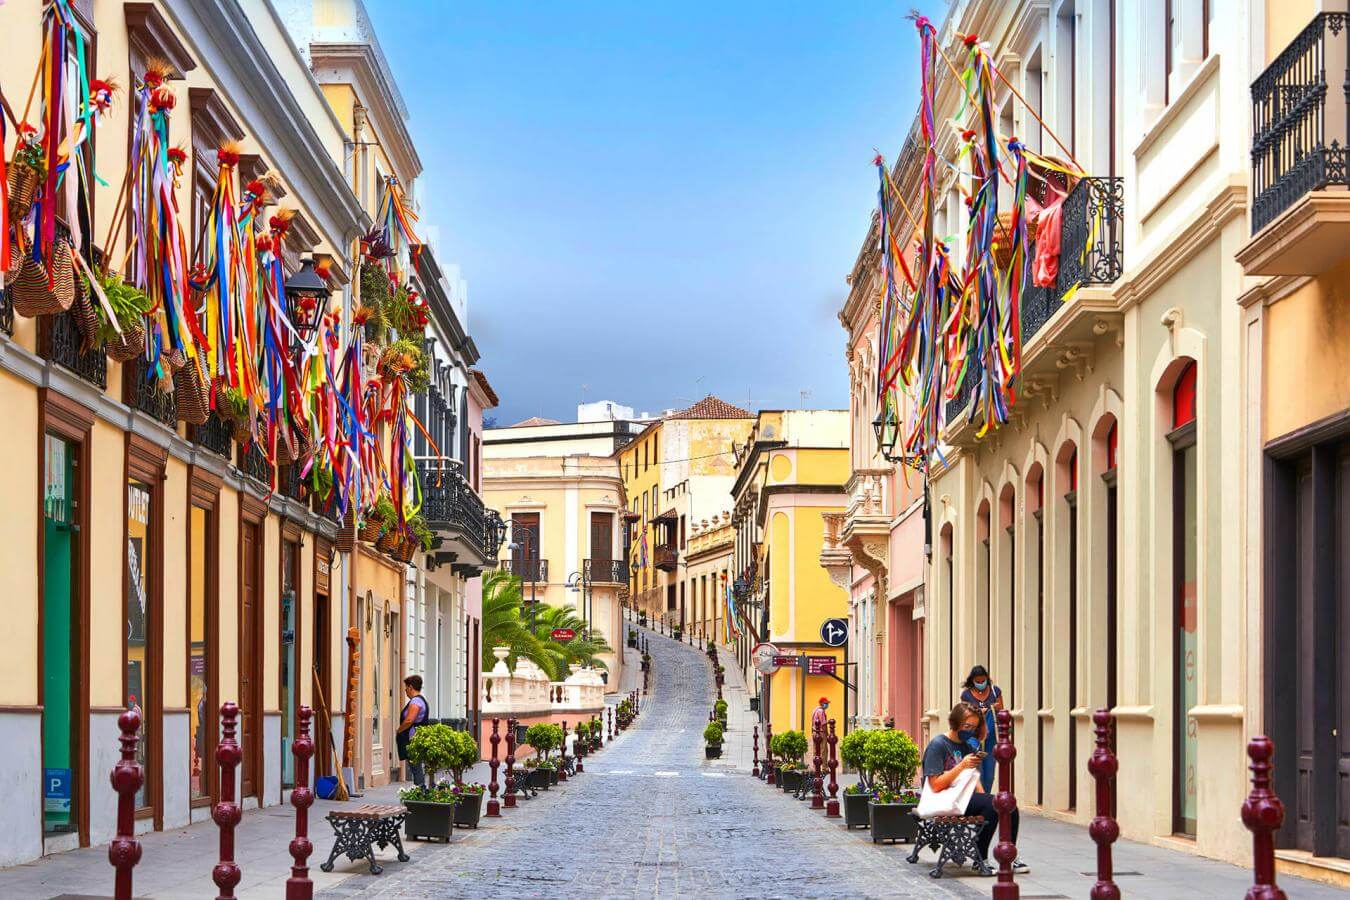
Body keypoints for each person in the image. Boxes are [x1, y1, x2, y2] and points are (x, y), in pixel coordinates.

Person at [921, 702, 1028, 875]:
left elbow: (973, 777)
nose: (970, 730)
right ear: (955, 723)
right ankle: (981, 858)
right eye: (966, 726)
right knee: (993, 805)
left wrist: (985, 798)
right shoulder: (938, 745)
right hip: (944, 798)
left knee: (1008, 804)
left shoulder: (968, 746)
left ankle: (1010, 855)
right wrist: (961, 766)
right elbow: (935, 784)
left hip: (964, 797)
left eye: (973, 727)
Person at [960, 665, 1003, 791]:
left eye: (982, 681)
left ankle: (986, 797)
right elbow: (963, 714)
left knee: (989, 772)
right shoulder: (966, 695)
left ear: (987, 678)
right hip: (973, 736)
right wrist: (978, 711)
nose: (980, 683)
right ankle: (978, 797)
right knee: (977, 769)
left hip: (991, 737)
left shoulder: (995, 691)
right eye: (977, 682)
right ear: (972, 681)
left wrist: (995, 707)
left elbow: (1001, 711)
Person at [396, 675, 430, 788]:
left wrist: (399, 730)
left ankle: (420, 790)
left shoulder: (415, 701)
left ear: (410, 687)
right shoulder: (420, 700)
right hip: (416, 737)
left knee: (416, 767)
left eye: (406, 687)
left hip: (413, 739)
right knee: (416, 766)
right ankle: (420, 789)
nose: (405, 690)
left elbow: (409, 720)